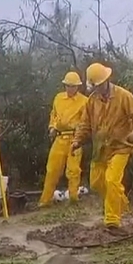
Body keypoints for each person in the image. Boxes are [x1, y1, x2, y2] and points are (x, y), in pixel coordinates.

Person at [70, 62, 133, 232]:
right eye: (95, 86)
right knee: (97, 183)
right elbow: (85, 124)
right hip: (101, 149)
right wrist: (77, 141)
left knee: (111, 180)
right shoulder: (92, 101)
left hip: (121, 146)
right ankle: (121, 204)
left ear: (107, 80)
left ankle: (112, 220)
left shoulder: (123, 96)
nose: (98, 88)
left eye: (100, 84)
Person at [38, 71, 89, 206]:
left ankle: (73, 199)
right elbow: (53, 115)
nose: (70, 88)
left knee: (73, 170)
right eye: (67, 85)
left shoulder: (84, 101)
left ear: (78, 87)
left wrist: (80, 137)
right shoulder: (58, 98)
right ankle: (45, 201)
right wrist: (52, 128)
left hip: (74, 139)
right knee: (52, 169)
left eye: (73, 86)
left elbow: (86, 122)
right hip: (59, 138)